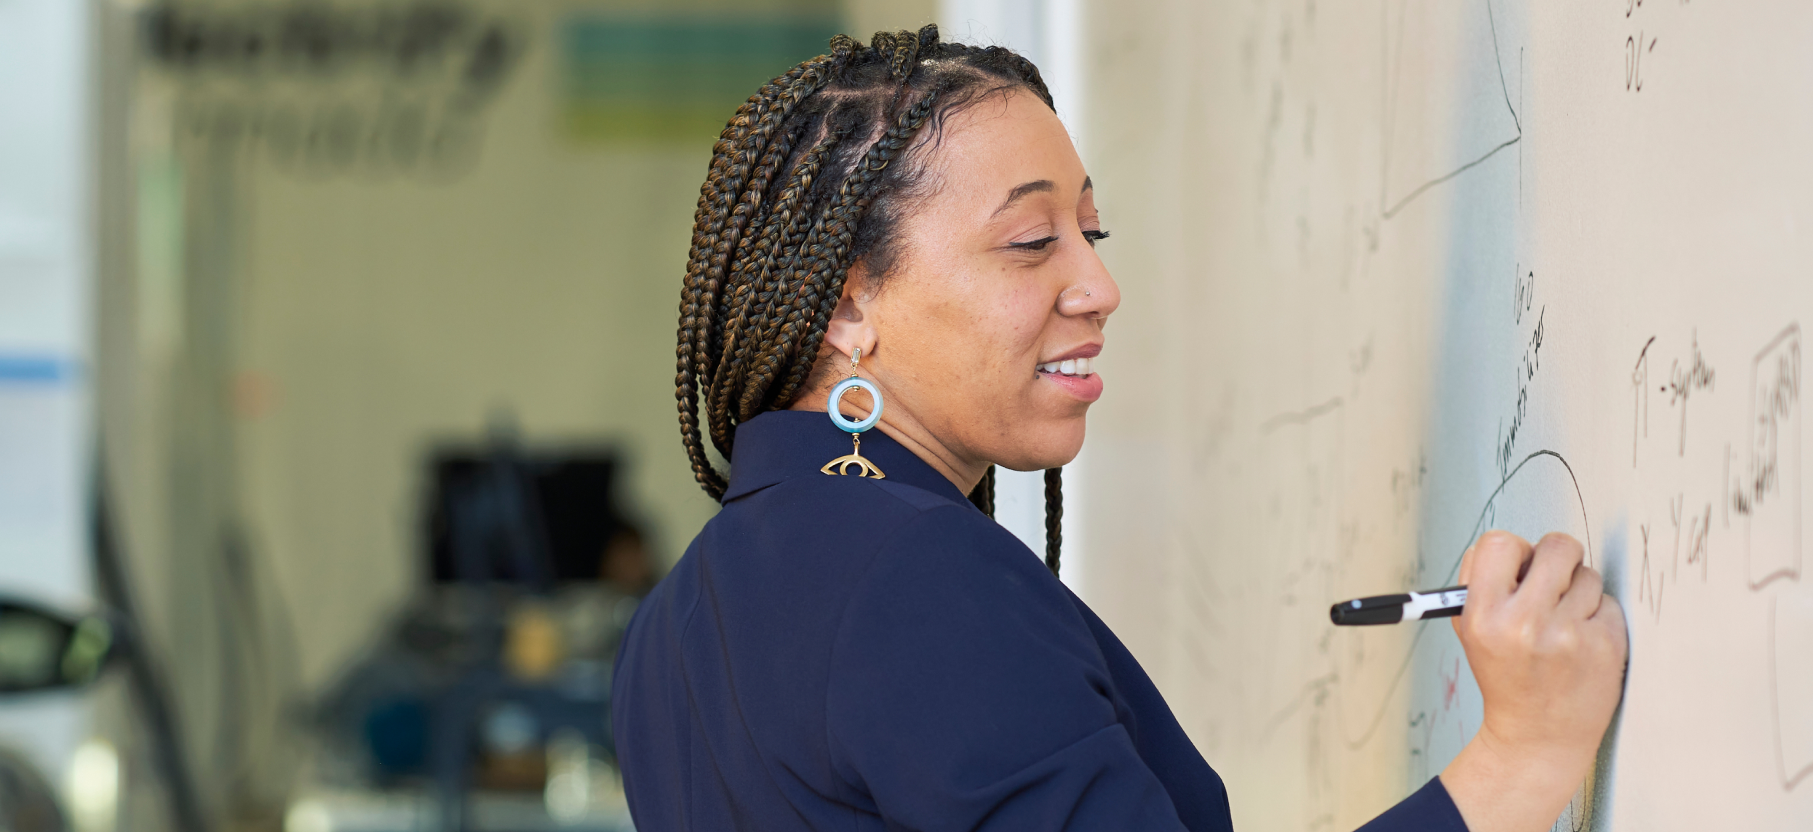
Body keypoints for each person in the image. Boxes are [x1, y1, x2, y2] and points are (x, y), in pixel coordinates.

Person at [610, 27, 1628, 832]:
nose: (1097, 286)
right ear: (846, 305)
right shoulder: (911, 574)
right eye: (1028, 241)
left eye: (1087, 233)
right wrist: (1519, 757)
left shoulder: (668, 635)